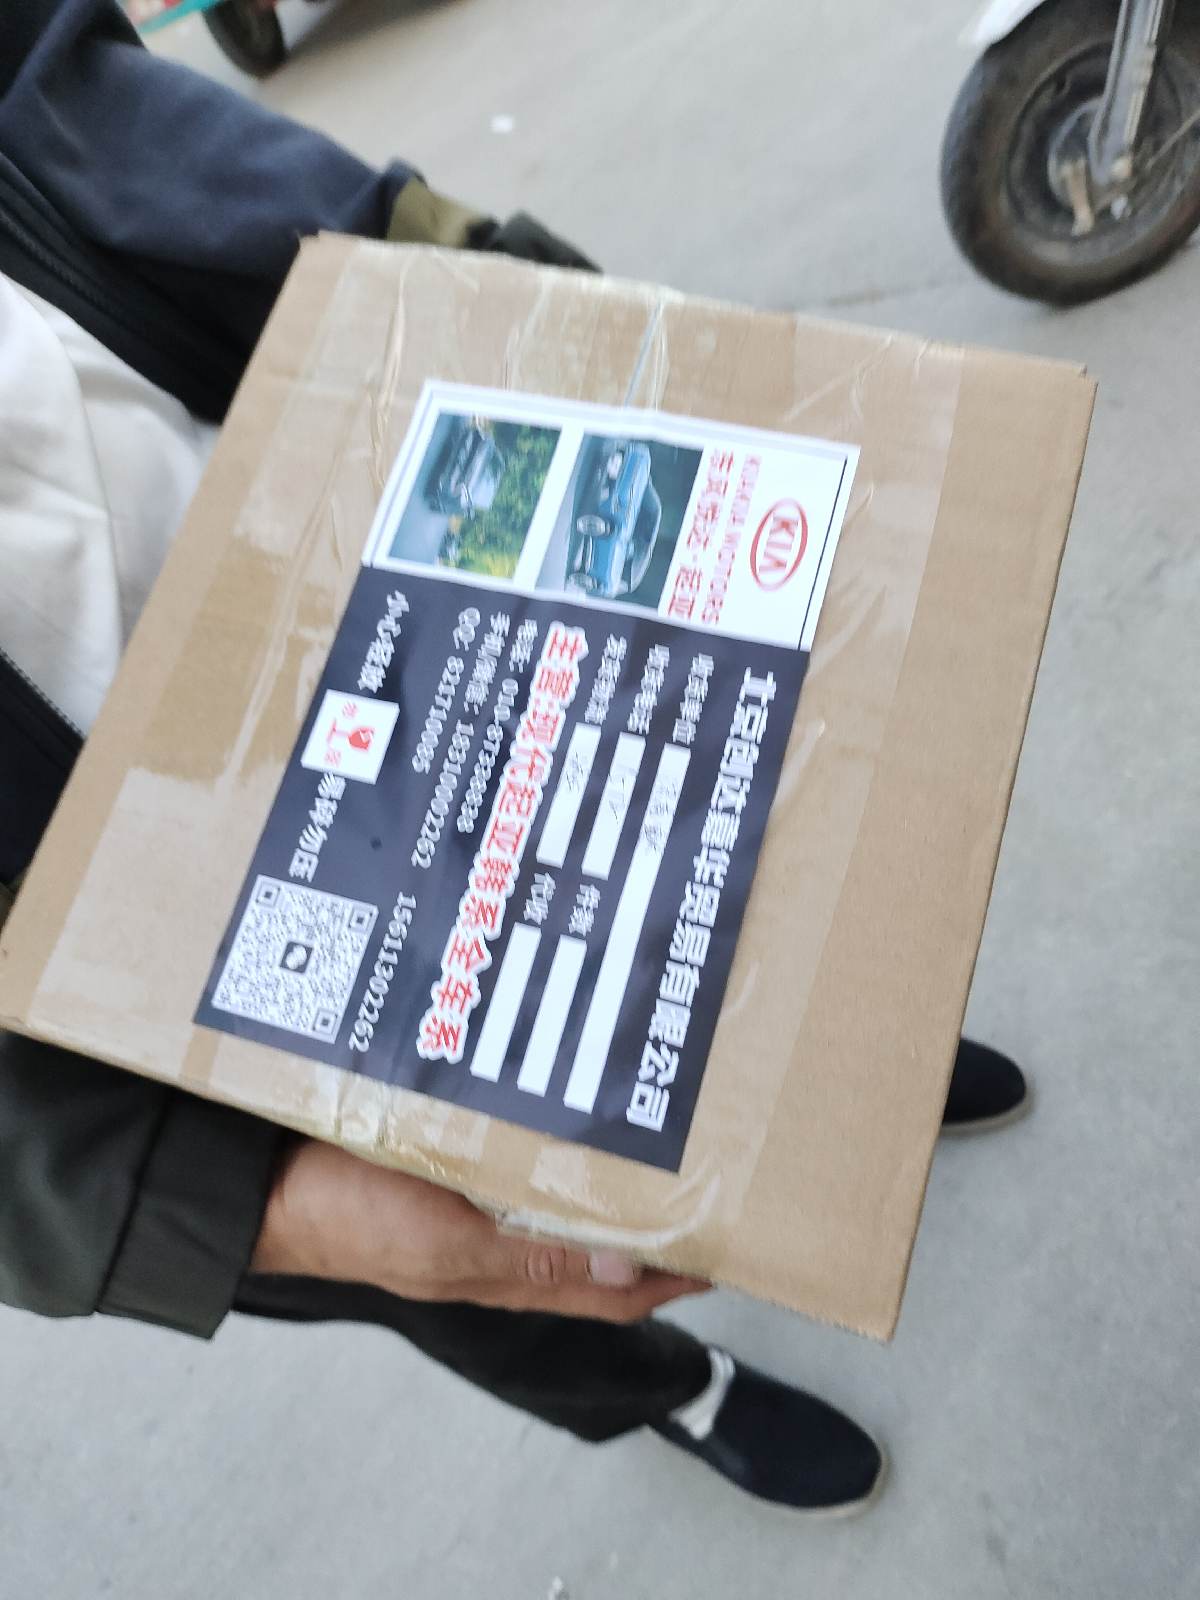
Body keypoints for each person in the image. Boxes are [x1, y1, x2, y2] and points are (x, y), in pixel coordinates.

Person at [0, 0, 1029, 1517]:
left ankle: (848, 1086)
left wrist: (450, 271)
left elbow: (55, 73)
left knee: (688, 843)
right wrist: (214, 1203)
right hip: (123, 939)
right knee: (462, 1237)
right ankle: (675, 1390)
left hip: (359, 552)